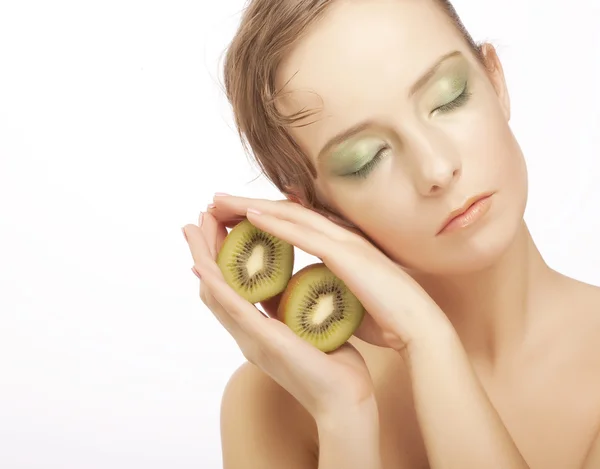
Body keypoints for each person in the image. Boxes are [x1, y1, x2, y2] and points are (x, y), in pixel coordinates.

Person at [182, 0, 600, 467]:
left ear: (495, 81)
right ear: (314, 206)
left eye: (449, 97)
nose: (436, 168)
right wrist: (345, 420)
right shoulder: (275, 404)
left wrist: (429, 341)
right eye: (366, 158)